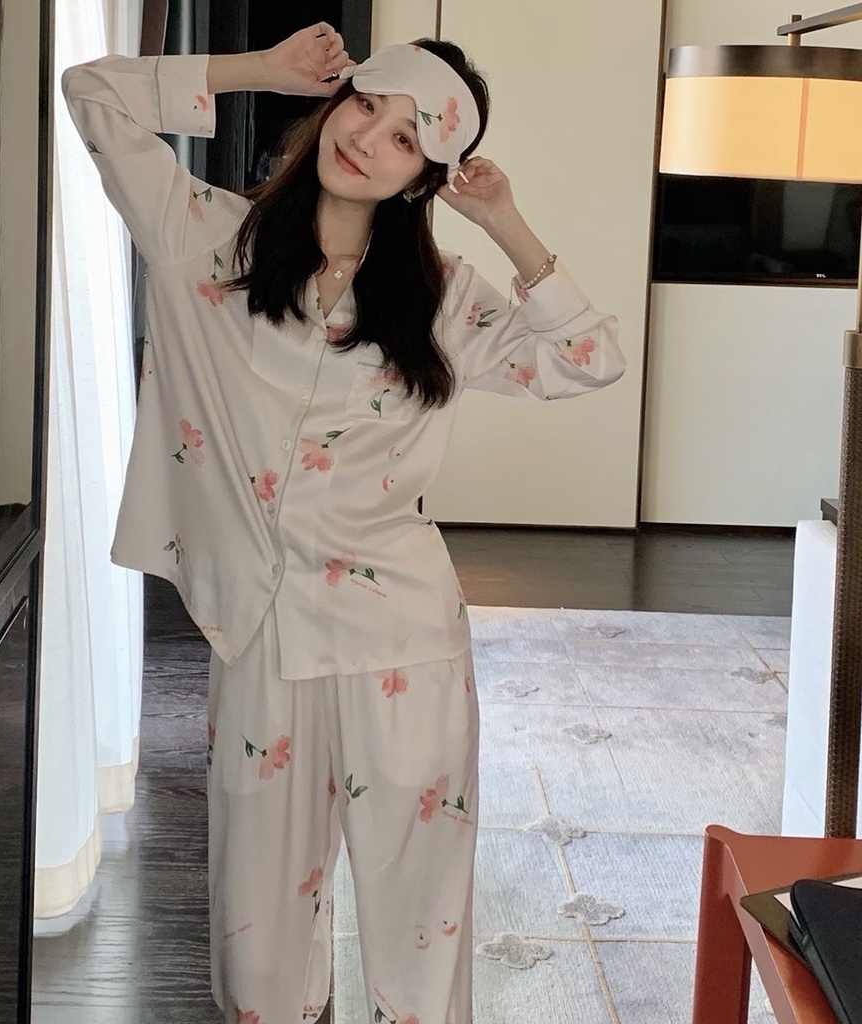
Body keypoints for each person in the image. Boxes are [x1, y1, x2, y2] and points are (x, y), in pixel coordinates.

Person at [62, 22, 624, 1024]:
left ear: (423, 178)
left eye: (406, 137)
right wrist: (259, 72)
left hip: (401, 640)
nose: (367, 137)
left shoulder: (444, 301)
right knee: (258, 943)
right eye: (366, 105)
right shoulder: (204, 236)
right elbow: (90, 89)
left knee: (419, 924)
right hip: (261, 635)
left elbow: (589, 360)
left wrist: (505, 222)